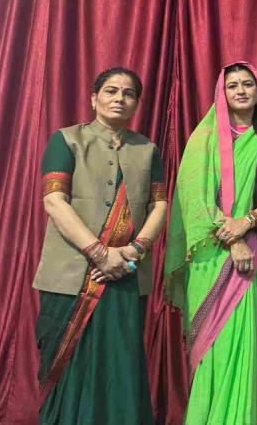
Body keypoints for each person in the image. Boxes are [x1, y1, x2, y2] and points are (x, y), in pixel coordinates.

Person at [164, 61, 257, 424]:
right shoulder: (205, 139)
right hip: (211, 251)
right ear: (222, 93)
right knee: (213, 347)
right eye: (233, 86)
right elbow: (194, 200)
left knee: (244, 345)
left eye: (247, 84)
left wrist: (247, 223)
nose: (241, 90)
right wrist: (231, 239)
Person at [34, 67, 167, 424]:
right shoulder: (66, 140)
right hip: (69, 276)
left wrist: (135, 251)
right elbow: (54, 202)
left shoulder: (148, 150)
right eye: (111, 91)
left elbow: (159, 206)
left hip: (126, 274)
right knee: (66, 367)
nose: (119, 98)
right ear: (94, 98)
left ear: (136, 103)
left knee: (119, 366)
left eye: (128, 93)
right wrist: (99, 253)